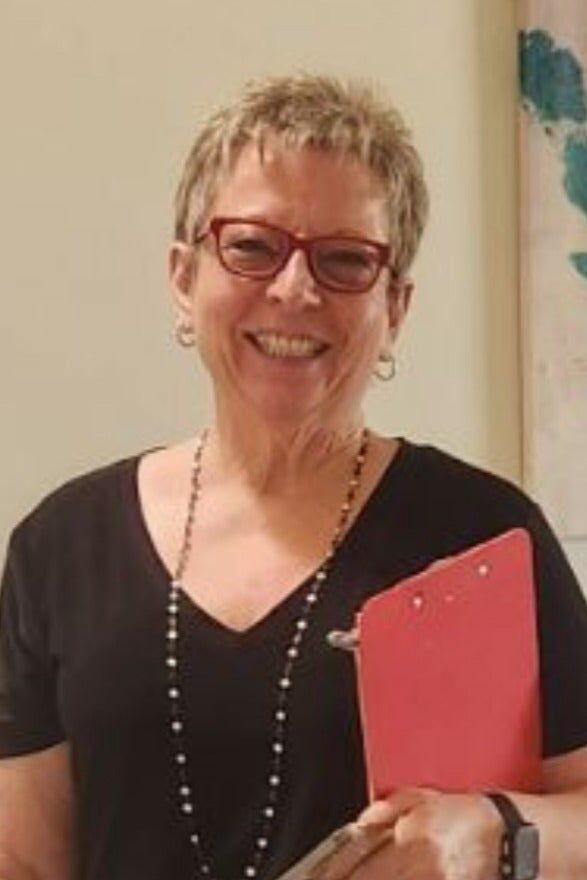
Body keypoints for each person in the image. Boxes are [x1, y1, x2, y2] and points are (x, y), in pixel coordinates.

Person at [1, 74, 587, 880]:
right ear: (183, 277)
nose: (293, 289)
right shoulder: (61, 548)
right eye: (251, 247)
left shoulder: (482, 534)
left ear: (395, 308)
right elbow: (25, 862)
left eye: (345, 260)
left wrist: (491, 832)